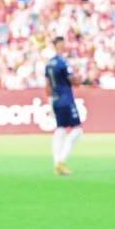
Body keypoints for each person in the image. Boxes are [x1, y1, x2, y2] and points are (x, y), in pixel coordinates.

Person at [45, 36, 83, 176]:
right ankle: (61, 161)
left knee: (60, 129)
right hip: (66, 99)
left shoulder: (49, 63)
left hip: (55, 100)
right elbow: (72, 80)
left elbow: (47, 86)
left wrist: (50, 101)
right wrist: (79, 80)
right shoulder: (62, 62)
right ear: (59, 45)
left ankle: (56, 163)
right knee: (77, 130)